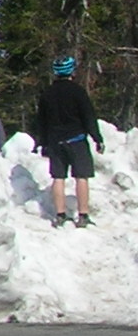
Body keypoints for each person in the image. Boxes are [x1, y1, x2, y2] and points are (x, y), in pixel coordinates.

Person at [33, 57, 105, 229]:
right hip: (77, 140)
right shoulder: (78, 91)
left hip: (55, 141)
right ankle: (83, 215)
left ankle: (60, 215)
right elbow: (88, 116)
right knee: (81, 177)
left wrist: (42, 142)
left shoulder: (47, 93)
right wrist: (97, 138)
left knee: (58, 177)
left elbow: (41, 120)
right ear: (72, 71)